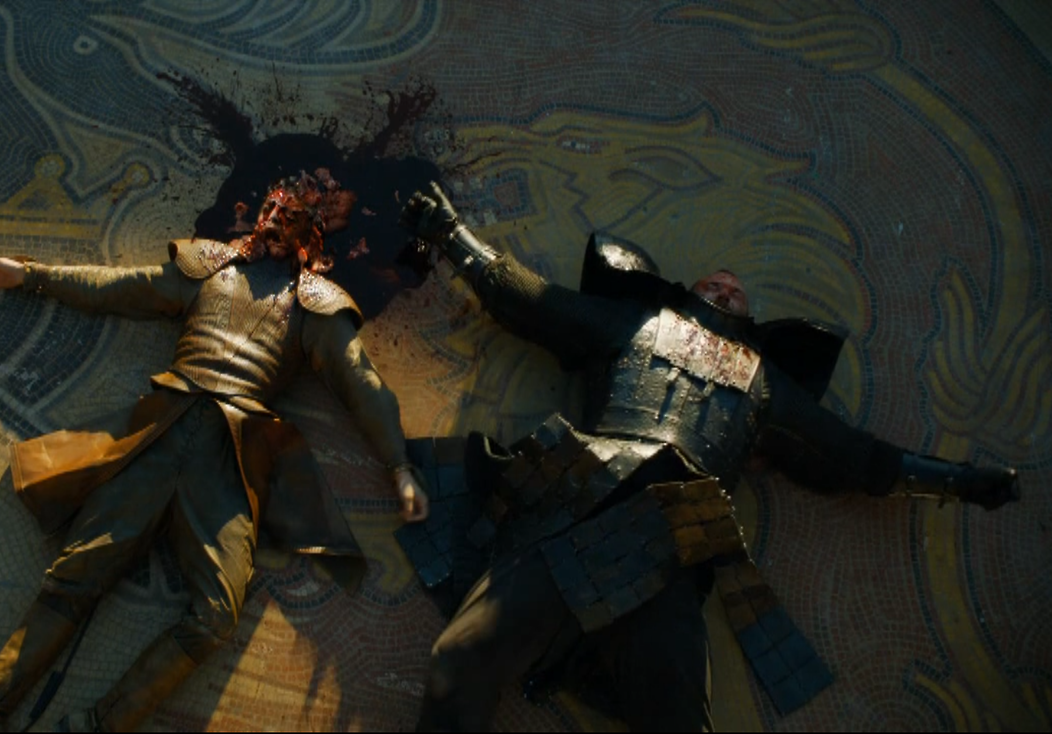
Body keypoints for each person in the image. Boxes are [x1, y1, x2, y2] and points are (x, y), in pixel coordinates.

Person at [397, 182, 1018, 731]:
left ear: (752, 317)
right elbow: (531, 301)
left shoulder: (766, 382)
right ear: (683, 290)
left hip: (670, 550)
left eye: (736, 290)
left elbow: (856, 456)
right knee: (459, 657)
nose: (725, 286)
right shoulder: (633, 321)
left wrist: (960, 482)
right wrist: (451, 233)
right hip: (574, 512)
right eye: (713, 283)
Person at [0, 172, 430, 733]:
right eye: (270, 212)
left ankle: (101, 725)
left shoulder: (317, 308)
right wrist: (33, 276)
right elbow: (121, 288)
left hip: (226, 462)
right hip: (160, 432)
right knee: (75, 573)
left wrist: (400, 469)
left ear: (311, 237)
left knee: (217, 616)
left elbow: (366, 389)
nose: (275, 223)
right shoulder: (210, 267)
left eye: (289, 218)